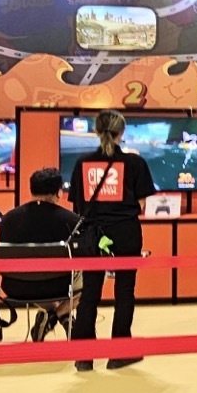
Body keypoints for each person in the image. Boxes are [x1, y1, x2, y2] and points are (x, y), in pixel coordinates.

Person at [68, 109, 157, 371]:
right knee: (125, 291)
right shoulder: (135, 163)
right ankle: (119, 353)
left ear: (96, 131)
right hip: (126, 231)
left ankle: (84, 357)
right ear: (122, 132)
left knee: (89, 292)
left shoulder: (82, 163)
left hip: (92, 234)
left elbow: (77, 205)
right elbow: (141, 204)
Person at [0, 167, 80, 340]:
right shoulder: (71, 221)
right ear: (59, 192)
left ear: (32, 189)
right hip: (58, 286)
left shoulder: (8, 220)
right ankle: (58, 315)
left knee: (39, 278)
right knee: (95, 277)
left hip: (15, 287)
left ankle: (54, 315)